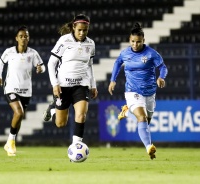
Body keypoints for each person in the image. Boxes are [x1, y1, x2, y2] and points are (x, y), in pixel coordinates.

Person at [108, 23, 168, 160]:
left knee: (146, 121)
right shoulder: (125, 53)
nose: (135, 44)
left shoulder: (151, 53)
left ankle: (127, 111)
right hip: (132, 91)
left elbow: (163, 67)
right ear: (129, 40)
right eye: (132, 41)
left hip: (150, 92)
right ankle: (149, 147)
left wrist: (161, 77)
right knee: (142, 117)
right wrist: (113, 80)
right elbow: (117, 63)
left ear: (143, 41)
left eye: (138, 42)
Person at [43, 14, 98, 145]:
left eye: (85, 30)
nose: (82, 33)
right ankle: (52, 109)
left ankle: (76, 146)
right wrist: (55, 84)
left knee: (81, 115)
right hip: (63, 85)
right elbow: (51, 63)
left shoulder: (90, 44)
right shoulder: (64, 40)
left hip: (81, 85)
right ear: (74, 27)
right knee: (60, 123)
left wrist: (93, 85)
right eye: (79, 30)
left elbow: (89, 66)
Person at [0, 25, 46, 156]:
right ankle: (11, 142)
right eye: (21, 36)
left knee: (19, 117)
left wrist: (41, 69)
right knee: (18, 112)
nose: (23, 39)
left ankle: (10, 143)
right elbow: (1, 63)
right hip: (11, 88)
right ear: (16, 38)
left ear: (28, 38)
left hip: (26, 91)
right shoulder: (9, 52)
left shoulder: (33, 53)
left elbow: (42, 66)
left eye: (26, 36)